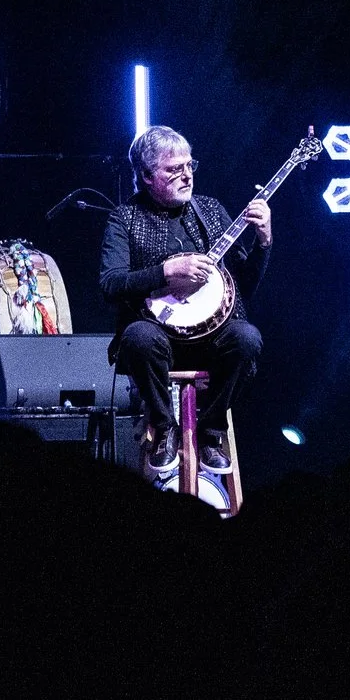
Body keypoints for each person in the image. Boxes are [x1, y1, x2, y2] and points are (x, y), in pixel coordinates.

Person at [100, 125, 272, 473]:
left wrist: (264, 241)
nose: (186, 175)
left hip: (212, 337)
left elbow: (245, 287)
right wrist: (165, 272)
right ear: (147, 176)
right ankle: (165, 429)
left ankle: (211, 429)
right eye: (173, 169)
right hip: (157, 338)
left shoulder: (210, 210)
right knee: (137, 337)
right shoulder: (125, 218)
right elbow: (110, 283)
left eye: (189, 166)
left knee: (248, 337)